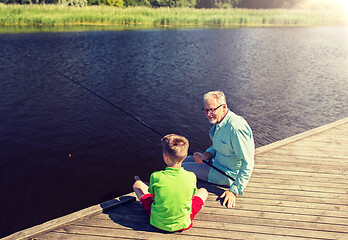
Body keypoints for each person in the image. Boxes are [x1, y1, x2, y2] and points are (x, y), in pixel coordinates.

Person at [182, 90, 254, 209]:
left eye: (212, 109)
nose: (209, 114)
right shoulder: (220, 121)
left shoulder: (236, 128)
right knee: (182, 161)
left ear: (224, 107)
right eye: (206, 110)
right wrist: (205, 155)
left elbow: (248, 162)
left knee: (182, 168)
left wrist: (234, 191)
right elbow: (218, 146)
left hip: (226, 173)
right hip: (215, 162)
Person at [133, 134, 208, 232]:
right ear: (185, 156)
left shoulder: (156, 176)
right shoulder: (191, 176)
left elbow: (153, 197)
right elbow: (192, 198)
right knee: (203, 191)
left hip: (157, 222)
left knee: (137, 184)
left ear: (165, 156)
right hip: (184, 222)